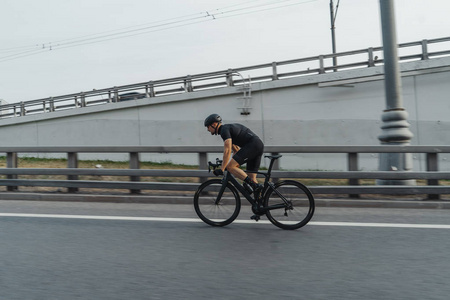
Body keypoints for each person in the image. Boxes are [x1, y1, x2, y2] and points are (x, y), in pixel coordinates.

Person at [204, 113, 264, 197]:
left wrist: (223, 168)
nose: (207, 129)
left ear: (214, 124)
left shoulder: (224, 130)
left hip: (252, 146)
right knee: (252, 177)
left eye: (208, 127)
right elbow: (236, 150)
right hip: (257, 145)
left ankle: (255, 186)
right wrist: (227, 163)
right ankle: (261, 204)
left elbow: (227, 150)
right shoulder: (227, 129)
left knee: (231, 167)